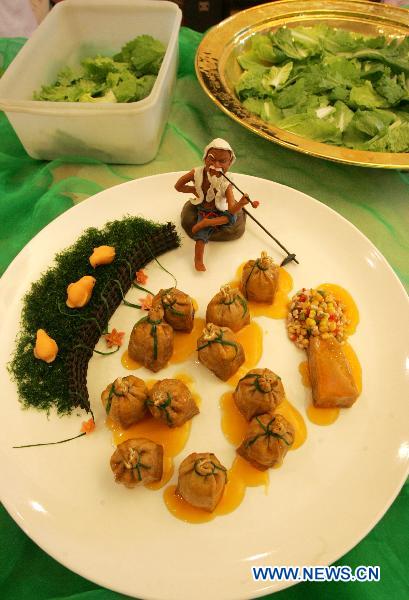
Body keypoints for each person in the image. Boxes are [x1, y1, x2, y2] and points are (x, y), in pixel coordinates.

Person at [175, 138, 252, 272]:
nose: (216, 164)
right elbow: (178, 186)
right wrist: (194, 189)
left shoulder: (227, 183)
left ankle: (206, 222)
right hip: (204, 208)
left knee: (232, 218)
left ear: (229, 163)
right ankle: (198, 260)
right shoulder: (197, 173)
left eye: (222, 161)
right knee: (201, 236)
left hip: (220, 210)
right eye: (212, 159)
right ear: (205, 158)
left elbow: (231, 209)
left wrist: (240, 203)